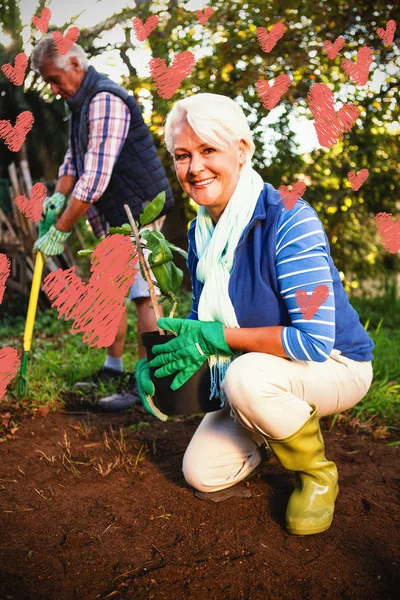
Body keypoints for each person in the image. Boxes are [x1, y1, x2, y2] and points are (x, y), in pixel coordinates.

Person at [135, 93, 374, 536]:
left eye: (209, 150)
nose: (195, 168)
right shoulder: (200, 232)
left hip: (335, 365)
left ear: (242, 150)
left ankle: (317, 475)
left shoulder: (288, 218)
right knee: (202, 473)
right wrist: (166, 365)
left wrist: (213, 338)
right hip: (260, 371)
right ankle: (266, 425)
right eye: (183, 156)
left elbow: (314, 342)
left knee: (245, 380)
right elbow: (200, 323)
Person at [30, 34, 174, 410]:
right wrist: (58, 196)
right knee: (109, 291)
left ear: (76, 64)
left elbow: (94, 177)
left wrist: (60, 230)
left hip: (137, 211)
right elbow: (72, 162)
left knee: (143, 294)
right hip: (114, 215)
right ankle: (113, 368)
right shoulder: (80, 105)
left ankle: (150, 383)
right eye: (47, 81)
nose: (53, 88)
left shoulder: (105, 100)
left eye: (55, 78)